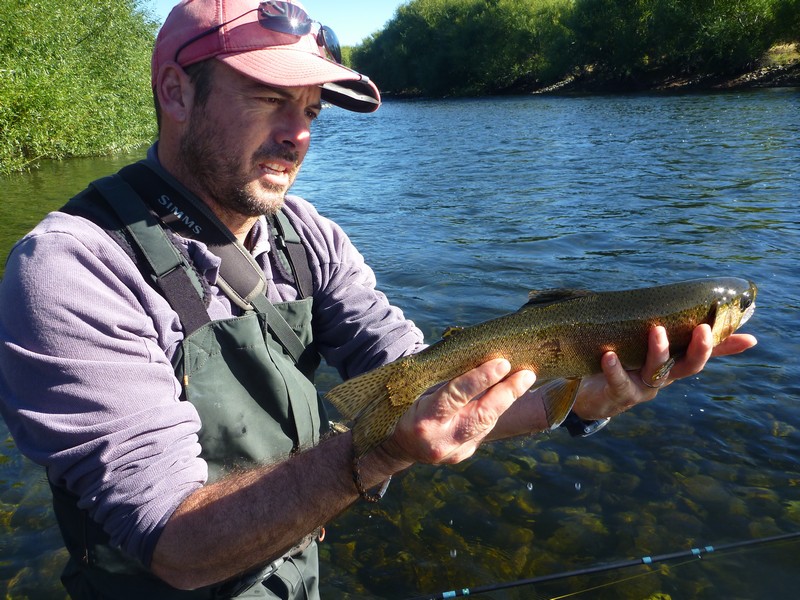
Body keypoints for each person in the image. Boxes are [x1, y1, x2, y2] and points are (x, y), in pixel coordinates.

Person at [0, 1, 756, 598]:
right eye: (270, 99)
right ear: (175, 91)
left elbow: (429, 389)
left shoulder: (308, 236)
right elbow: (174, 546)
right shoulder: (72, 269)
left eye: (311, 110)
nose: (298, 135)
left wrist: (578, 403)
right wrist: (377, 454)